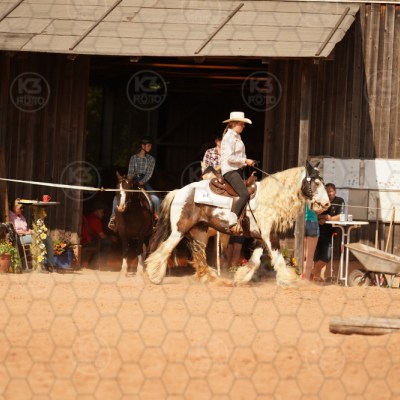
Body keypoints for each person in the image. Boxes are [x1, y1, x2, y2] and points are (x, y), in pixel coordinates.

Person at [108, 136, 160, 231]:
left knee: (156, 199)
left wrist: (142, 181)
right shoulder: (133, 158)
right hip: (132, 180)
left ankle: (157, 220)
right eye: (148, 145)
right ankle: (113, 218)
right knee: (117, 197)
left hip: (144, 181)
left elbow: (149, 173)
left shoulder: (151, 159)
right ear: (142, 146)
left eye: (150, 146)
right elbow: (130, 172)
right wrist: (130, 181)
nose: (150, 147)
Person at [220, 111, 256, 230]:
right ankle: (232, 217)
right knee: (244, 193)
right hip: (230, 170)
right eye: (242, 124)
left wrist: (246, 162)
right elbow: (229, 157)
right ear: (234, 124)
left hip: (237, 170)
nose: (244, 126)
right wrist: (245, 161)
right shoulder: (228, 138)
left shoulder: (237, 136)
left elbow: (240, 156)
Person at [9, 198, 56, 269]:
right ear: (14, 207)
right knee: (39, 239)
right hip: (19, 238)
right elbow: (13, 230)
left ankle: (50, 264)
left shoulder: (21, 216)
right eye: (20, 208)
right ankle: (39, 264)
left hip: (27, 236)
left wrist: (33, 231)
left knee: (47, 238)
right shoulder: (10, 216)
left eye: (23, 208)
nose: (22, 210)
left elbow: (25, 228)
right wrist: (26, 232)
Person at [313, 183, 345, 280]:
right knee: (316, 255)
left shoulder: (340, 201)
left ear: (335, 191)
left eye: (331, 191)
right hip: (317, 230)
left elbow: (341, 216)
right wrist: (322, 218)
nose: (329, 193)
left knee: (326, 256)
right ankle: (317, 277)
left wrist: (329, 219)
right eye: (327, 191)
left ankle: (313, 271)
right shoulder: (321, 201)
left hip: (330, 232)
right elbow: (314, 214)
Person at [302, 204, 319, 281]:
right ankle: (306, 279)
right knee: (310, 256)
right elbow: (317, 210)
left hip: (300, 221)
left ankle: (300, 276)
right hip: (312, 221)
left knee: (302, 254)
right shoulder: (315, 197)